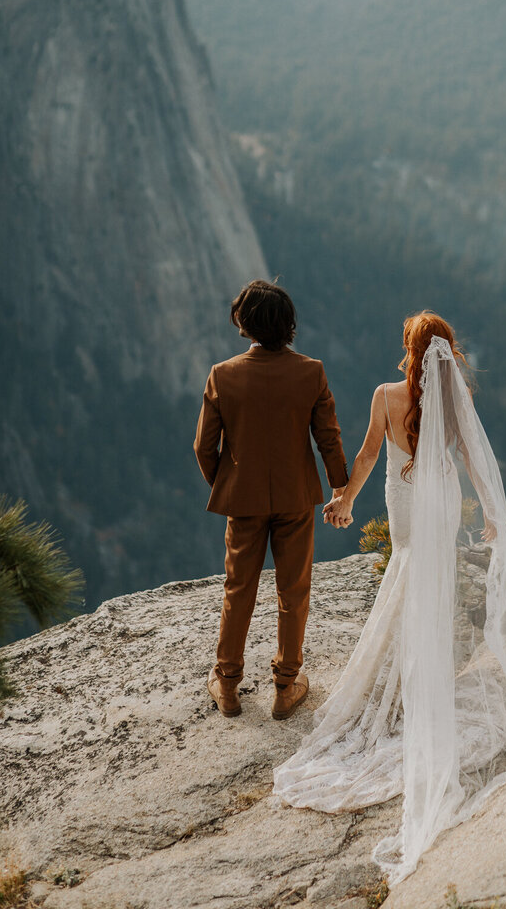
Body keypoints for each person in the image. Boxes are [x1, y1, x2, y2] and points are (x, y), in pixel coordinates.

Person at [274, 311, 506, 883]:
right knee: (433, 585)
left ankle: (410, 683)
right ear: (447, 350)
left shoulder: (386, 395)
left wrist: (343, 501)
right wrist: (492, 513)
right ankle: (428, 679)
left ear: (409, 349)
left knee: (408, 575)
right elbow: (472, 458)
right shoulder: (456, 395)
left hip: (405, 501)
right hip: (441, 502)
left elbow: (367, 455)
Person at [194, 279, 351, 721]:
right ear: (288, 324)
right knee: (294, 588)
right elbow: (328, 437)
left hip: (242, 502)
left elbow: (204, 447)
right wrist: (339, 486)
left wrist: (228, 485)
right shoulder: (311, 372)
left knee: (238, 587)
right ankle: (286, 684)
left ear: (245, 325)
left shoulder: (222, 375)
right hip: (296, 498)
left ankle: (227, 684)